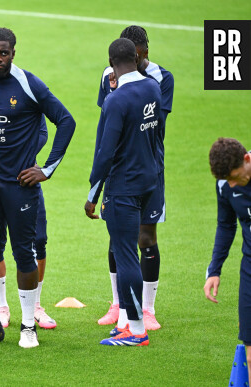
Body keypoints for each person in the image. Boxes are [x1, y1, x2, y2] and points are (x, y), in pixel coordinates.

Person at [0, 28, 75, 348]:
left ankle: (28, 325)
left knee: (24, 254)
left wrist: (47, 168)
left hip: (20, 188)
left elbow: (66, 121)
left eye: (3, 53)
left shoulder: (29, 84)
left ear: (13, 53)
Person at [96, 25, 174, 331]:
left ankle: (147, 308)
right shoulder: (108, 75)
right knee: (119, 237)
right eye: (142, 52)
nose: (146, 56)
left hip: (149, 168)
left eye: (147, 51)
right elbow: (108, 120)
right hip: (118, 171)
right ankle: (119, 304)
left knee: (146, 237)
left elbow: (156, 126)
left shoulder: (161, 78)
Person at [85, 37, 161, 346]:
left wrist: (93, 193)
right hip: (148, 182)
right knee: (131, 251)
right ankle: (131, 323)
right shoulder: (153, 88)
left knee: (126, 255)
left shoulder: (116, 100)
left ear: (112, 63)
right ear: (136, 57)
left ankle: (136, 329)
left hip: (123, 187)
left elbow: (105, 152)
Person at [0, 137, 55, 330]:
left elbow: (41, 133)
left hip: (25, 178)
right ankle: (1, 307)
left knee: (39, 241)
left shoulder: (31, 106)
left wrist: (16, 152)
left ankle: (35, 305)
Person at [205, 137, 251, 386]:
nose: (232, 184)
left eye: (235, 176)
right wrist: (215, 269)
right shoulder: (225, 184)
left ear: (247, 159)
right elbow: (226, 224)